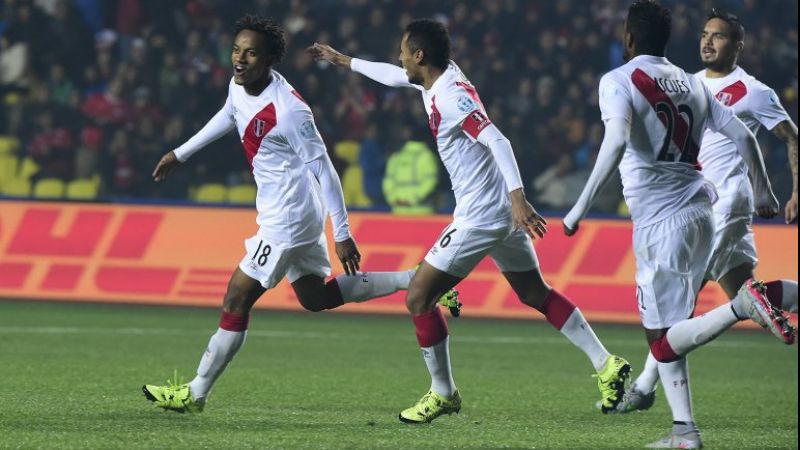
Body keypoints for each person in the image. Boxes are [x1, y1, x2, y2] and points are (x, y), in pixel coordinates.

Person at [308, 18, 631, 424]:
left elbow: (497, 138)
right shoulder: (434, 80)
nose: (400, 56)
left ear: (420, 56)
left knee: (419, 298)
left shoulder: (451, 96)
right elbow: (393, 76)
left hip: (482, 214)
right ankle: (606, 363)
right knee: (534, 292)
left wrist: (518, 200)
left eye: (404, 50)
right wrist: (343, 60)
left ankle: (443, 393)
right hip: (493, 211)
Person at [141, 15, 459, 414]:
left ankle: (196, 391)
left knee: (238, 295)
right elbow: (229, 114)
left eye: (251, 53)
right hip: (288, 210)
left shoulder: (289, 110)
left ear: (271, 58)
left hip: (288, 217)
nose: (240, 59)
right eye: (237, 50)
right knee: (315, 297)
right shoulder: (239, 84)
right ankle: (419, 280)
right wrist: (180, 153)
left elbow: (325, 168)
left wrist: (342, 232)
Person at [562, 2, 795, 448]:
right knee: (671, 328)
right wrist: (764, 191)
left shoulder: (618, 80)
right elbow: (744, 137)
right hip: (702, 210)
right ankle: (683, 431)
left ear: (629, 38)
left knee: (663, 340)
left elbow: (613, 143)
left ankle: (740, 308)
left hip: (660, 222)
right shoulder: (693, 83)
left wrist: (579, 209)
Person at [382, 140, 439, 215]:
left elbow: (388, 181)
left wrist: (393, 199)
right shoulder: (427, 156)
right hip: (422, 211)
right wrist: (413, 198)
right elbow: (431, 181)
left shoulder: (396, 156)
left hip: (398, 210)